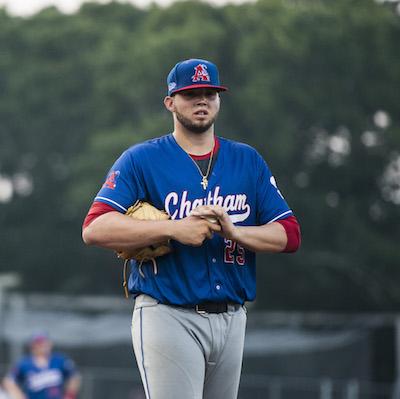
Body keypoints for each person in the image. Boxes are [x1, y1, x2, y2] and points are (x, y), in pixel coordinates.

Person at [82, 58, 301, 399]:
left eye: (209, 93)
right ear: (170, 102)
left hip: (232, 317)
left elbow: (289, 234)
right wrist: (173, 228)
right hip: (169, 313)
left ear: (219, 100)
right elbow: (95, 227)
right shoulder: (142, 159)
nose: (202, 100)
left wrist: (236, 232)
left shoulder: (247, 160)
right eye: (191, 94)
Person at [2, 333, 80, 399]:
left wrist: (69, 395)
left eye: (45, 342)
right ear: (33, 346)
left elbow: (74, 376)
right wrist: (19, 396)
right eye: (39, 343)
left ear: (50, 343)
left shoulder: (59, 360)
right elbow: (9, 381)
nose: (43, 345)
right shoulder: (24, 363)